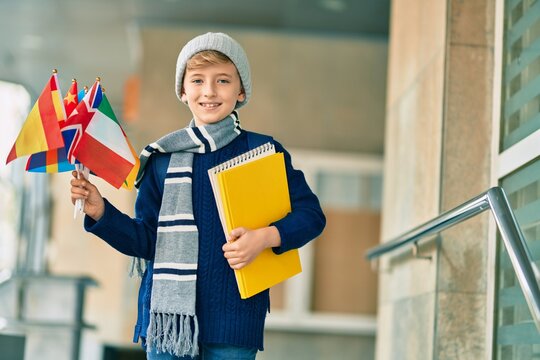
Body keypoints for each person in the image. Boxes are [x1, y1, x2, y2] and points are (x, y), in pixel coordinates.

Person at [70, 32, 326, 360]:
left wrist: (265, 237)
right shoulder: (161, 158)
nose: (209, 91)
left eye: (222, 80)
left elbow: (311, 216)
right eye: (197, 81)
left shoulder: (263, 151)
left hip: (233, 322)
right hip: (167, 325)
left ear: (241, 90)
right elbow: (147, 242)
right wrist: (100, 212)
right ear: (183, 90)